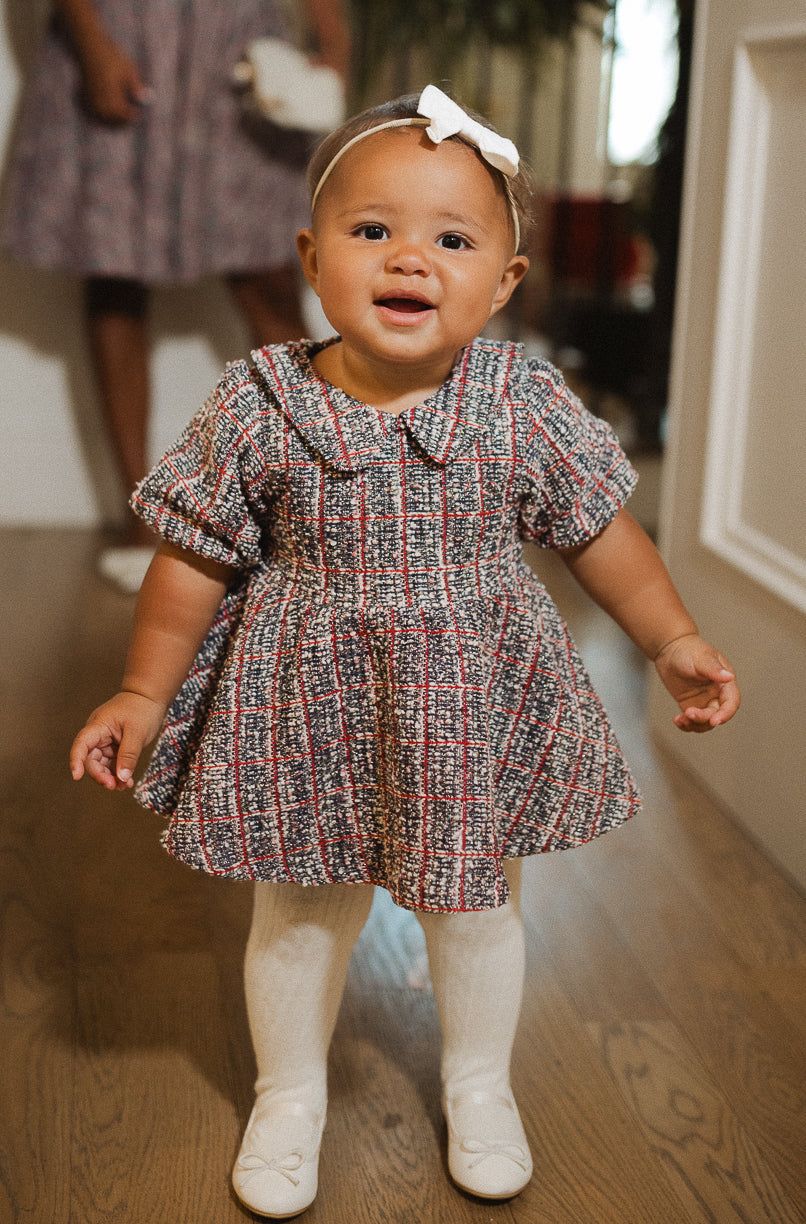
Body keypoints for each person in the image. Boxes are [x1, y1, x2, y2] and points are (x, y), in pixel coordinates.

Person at [69, 86, 741, 1218]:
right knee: (298, 912)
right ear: (311, 256)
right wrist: (143, 689)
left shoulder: (519, 399)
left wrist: (669, 635)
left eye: (451, 239)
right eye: (371, 231)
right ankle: (289, 1096)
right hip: (303, 695)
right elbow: (190, 558)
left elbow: (598, 531)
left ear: (504, 281)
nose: (409, 260)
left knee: (473, 907)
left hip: (469, 691)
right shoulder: (258, 403)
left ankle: (480, 1084)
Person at [2, 0, 350, 592]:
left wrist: (335, 45)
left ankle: (309, 514)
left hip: (237, 47)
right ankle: (141, 520)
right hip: (125, 33)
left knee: (272, 273)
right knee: (113, 266)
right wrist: (92, 42)